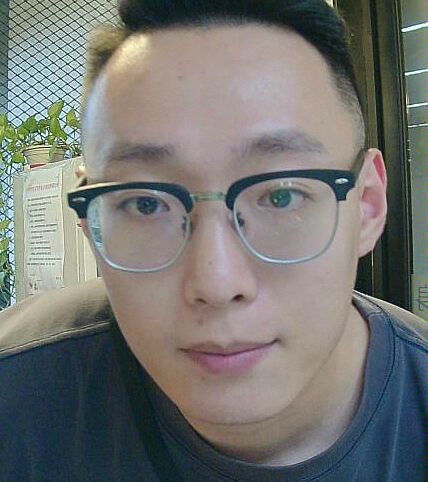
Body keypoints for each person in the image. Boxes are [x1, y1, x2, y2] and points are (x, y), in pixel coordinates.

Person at [1, 1, 427, 481]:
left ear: (367, 205)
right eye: (145, 204)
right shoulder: (16, 395)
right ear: (90, 224)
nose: (216, 284)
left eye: (282, 195)